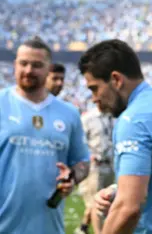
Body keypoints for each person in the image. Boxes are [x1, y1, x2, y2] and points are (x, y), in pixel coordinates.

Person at [78, 39, 152, 234]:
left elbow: (129, 208)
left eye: (94, 88)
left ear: (116, 80)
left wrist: (125, 197)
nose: (94, 98)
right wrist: (120, 188)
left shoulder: (134, 119)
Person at [0, 37, 90, 234]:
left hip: (48, 226)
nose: (28, 70)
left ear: (48, 68)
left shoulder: (68, 113)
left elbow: (83, 161)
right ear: (15, 65)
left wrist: (72, 178)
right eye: (23, 63)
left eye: (37, 65)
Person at [74, 100, 116, 234]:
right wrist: (87, 155)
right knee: (95, 203)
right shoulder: (88, 118)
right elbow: (79, 141)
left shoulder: (113, 117)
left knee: (107, 201)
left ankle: (83, 228)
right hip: (95, 166)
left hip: (110, 164)